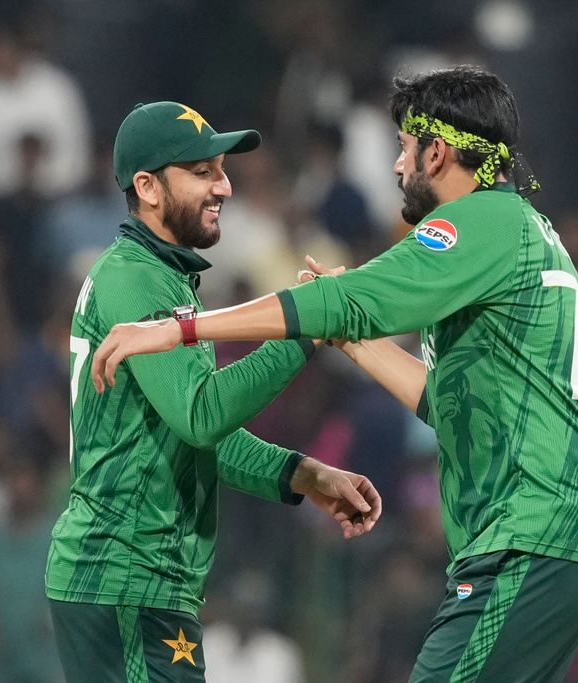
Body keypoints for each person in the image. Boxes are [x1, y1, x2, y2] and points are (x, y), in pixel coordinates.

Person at [92, 66, 578, 682]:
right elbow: (442, 400)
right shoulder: (521, 231)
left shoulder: (476, 222)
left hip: (530, 534)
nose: (397, 167)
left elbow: (349, 299)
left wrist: (180, 329)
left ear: (437, 153)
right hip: (559, 538)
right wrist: (344, 335)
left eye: (404, 148)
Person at [45, 101, 382, 683]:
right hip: (123, 576)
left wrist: (302, 474)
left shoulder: (164, 277)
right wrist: (305, 326)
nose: (224, 186)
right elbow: (201, 414)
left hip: (138, 580)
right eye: (202, 172)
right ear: (147, 187)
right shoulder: (135, 278)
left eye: (221, 171)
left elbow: (194, 434)